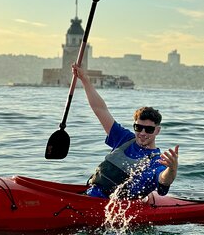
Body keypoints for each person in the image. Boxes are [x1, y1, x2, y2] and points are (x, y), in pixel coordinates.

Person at [72, 64, 179, 199]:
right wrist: (85, 80)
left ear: (157, 131)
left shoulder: (157, 161)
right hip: (90, 195)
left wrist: (172, 169)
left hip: (113, 208)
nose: (143, 133)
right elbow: (100, 110)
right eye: (138, 128)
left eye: (149, 129)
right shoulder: (124, 139)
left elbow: (164, 180)